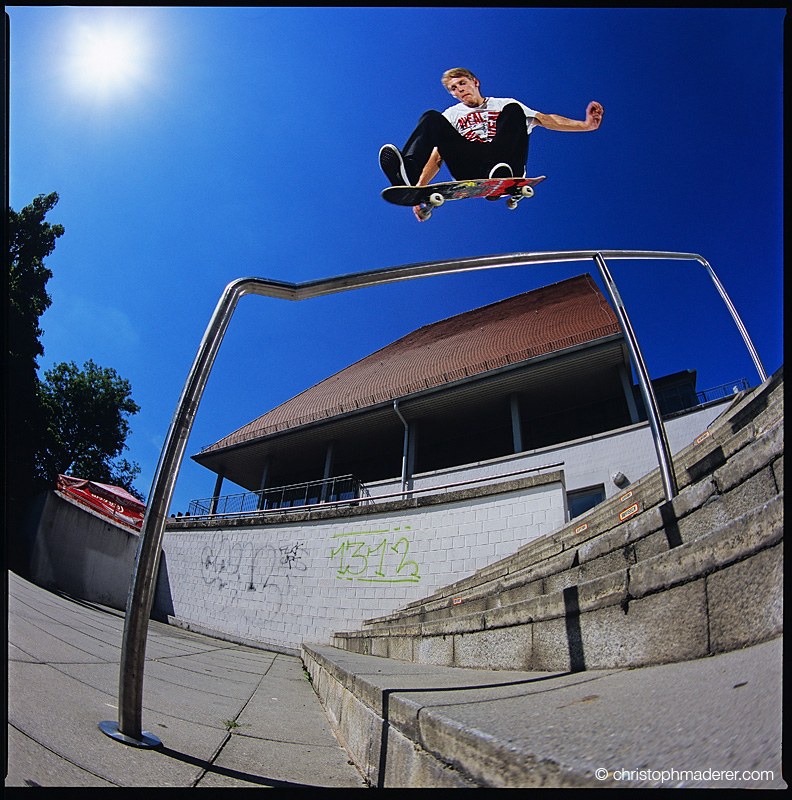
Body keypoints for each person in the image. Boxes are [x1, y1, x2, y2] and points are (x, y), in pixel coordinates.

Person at [379, 68, 604, 220]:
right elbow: (437, 157)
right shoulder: (452, 114)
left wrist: (586, 125)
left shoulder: (504, 104)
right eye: (454, 90)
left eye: (462, 84)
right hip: (470, 168)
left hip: (506, 163)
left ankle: (501, 170)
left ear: (475, 83)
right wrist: (417, 190)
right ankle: (407, 172)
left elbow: (546, 119)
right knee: (431, 117)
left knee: (514, 111)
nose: (459, 91)